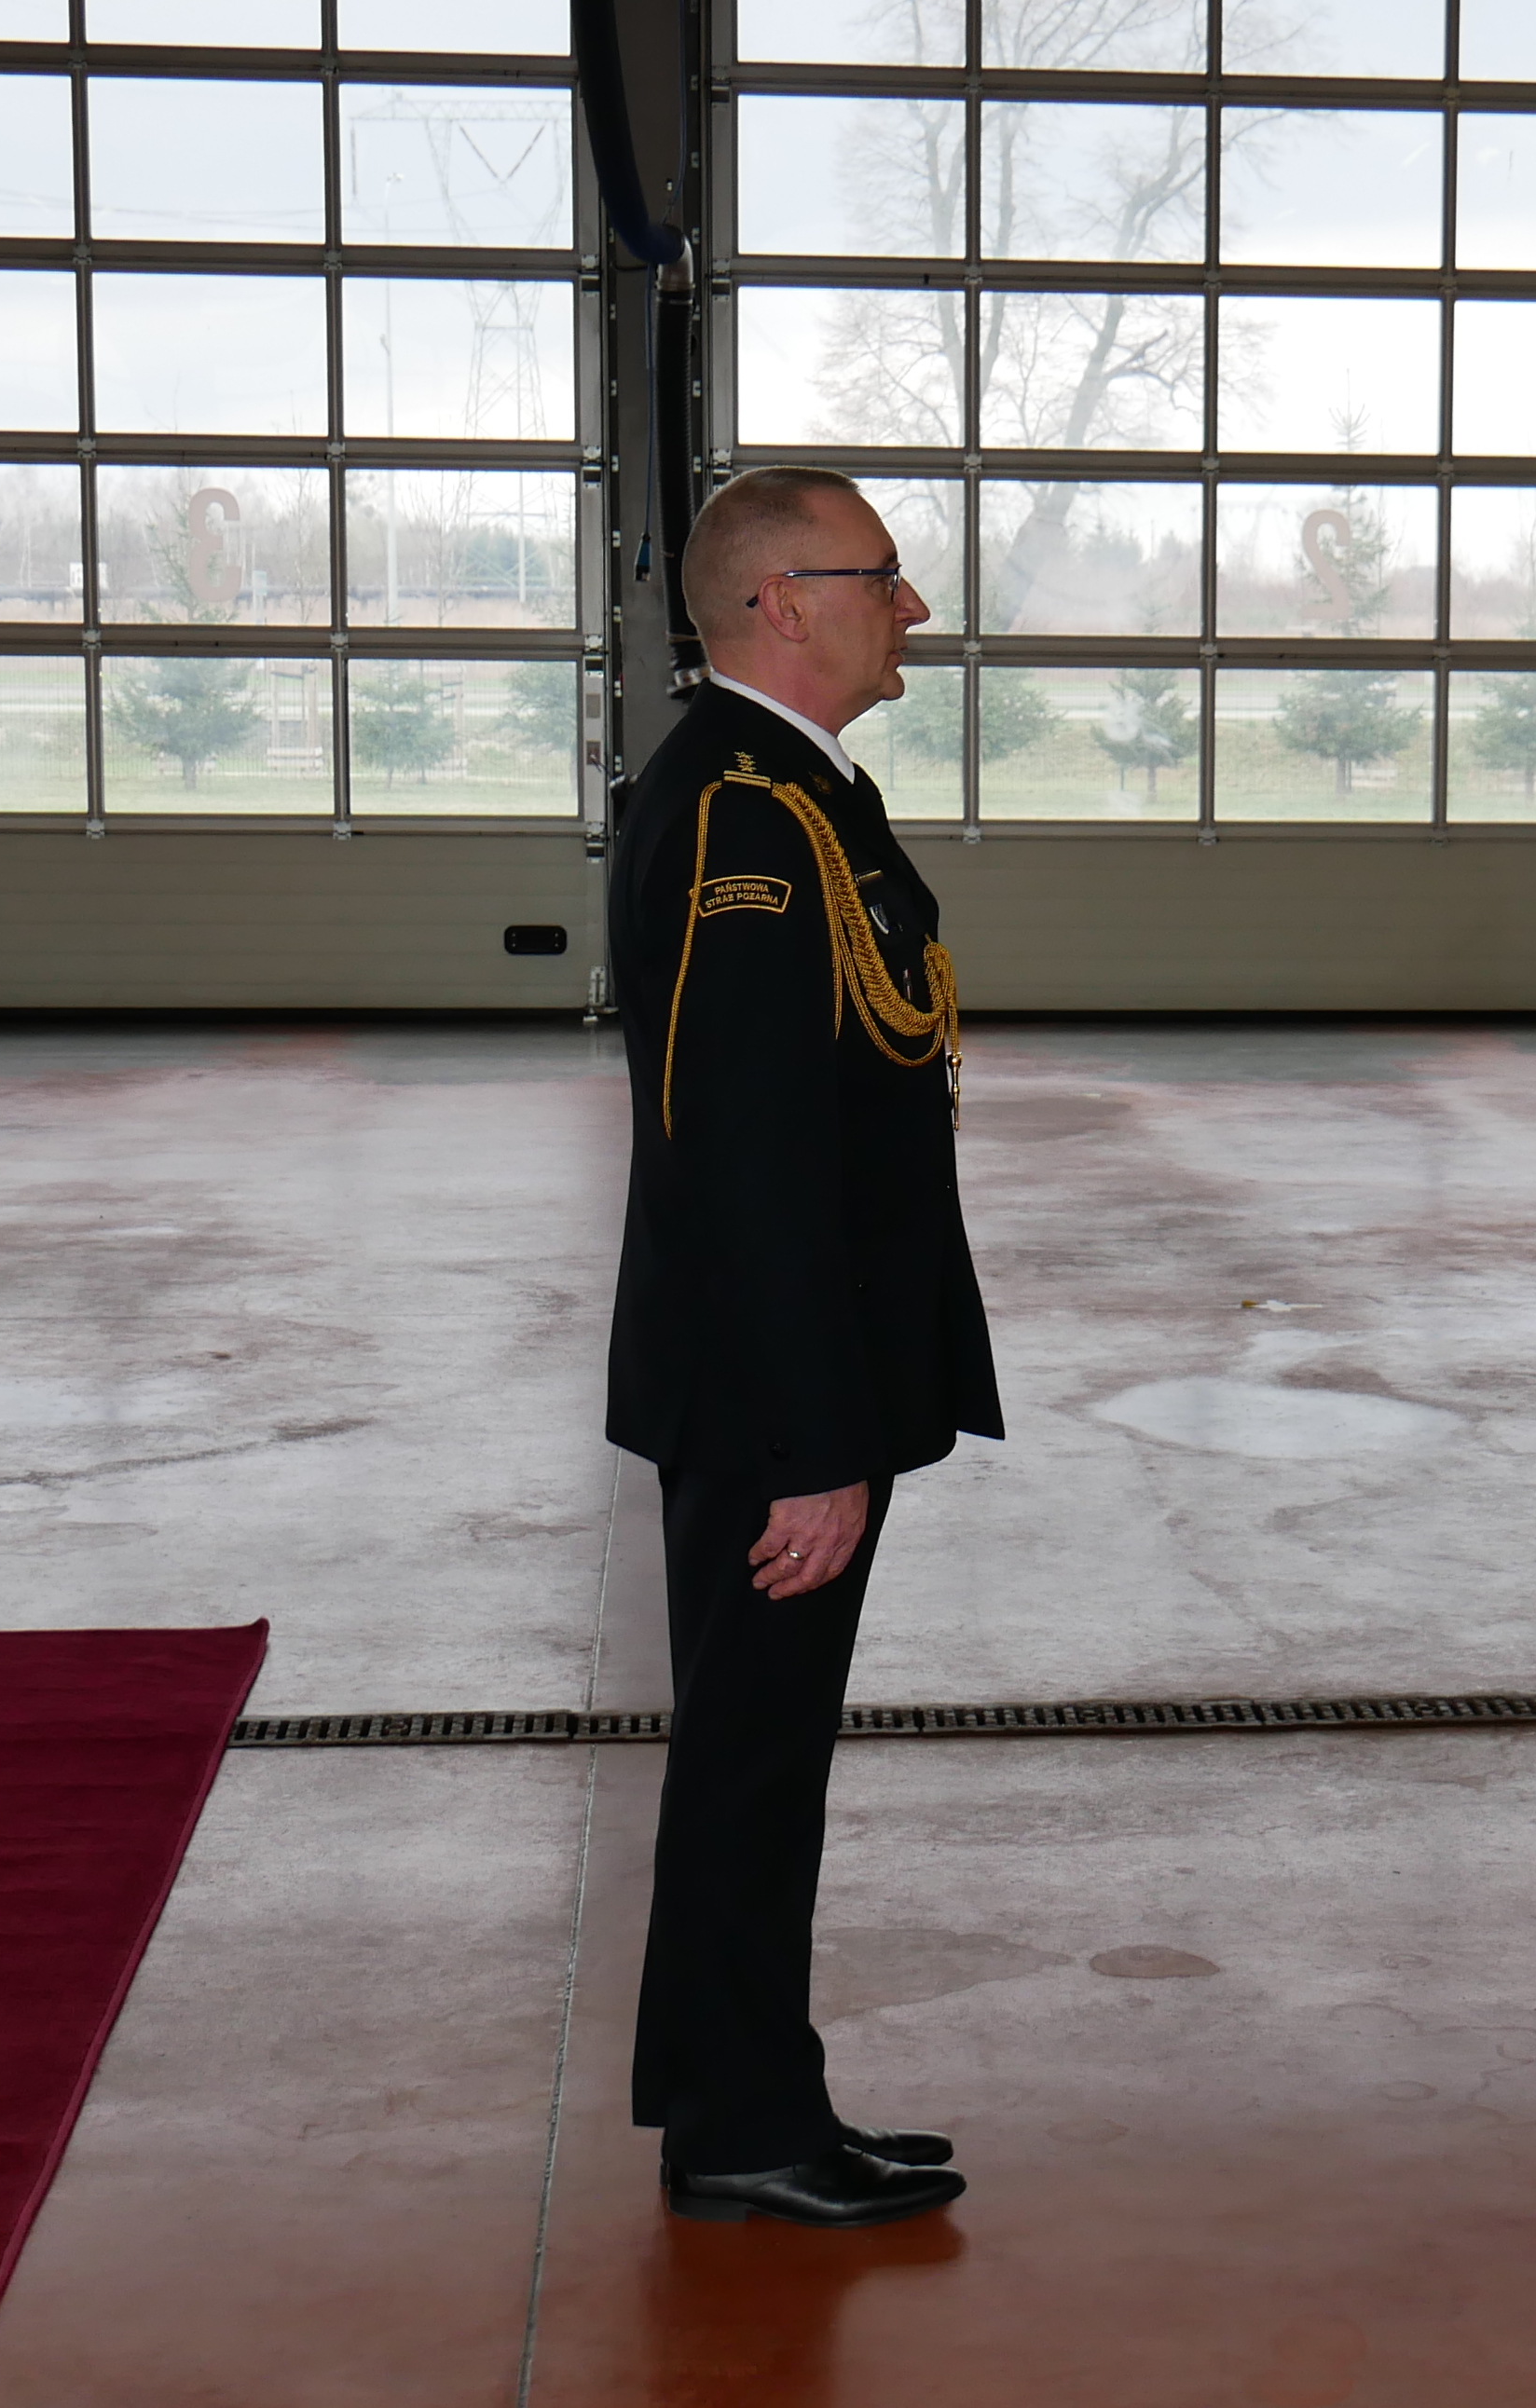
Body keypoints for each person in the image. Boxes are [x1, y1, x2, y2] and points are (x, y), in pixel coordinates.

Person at [607, 464, 1000, 2230]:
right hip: (774, 1401)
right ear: (780, 603)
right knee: (754, 1761)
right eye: (881, 576)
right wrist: (811, 1441)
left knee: (758, 1752)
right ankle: (746, 2125)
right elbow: (742, 1153)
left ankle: (735, 2096)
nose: (911, 606)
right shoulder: (739, 817)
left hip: (791, 1380)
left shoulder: (799, 791)